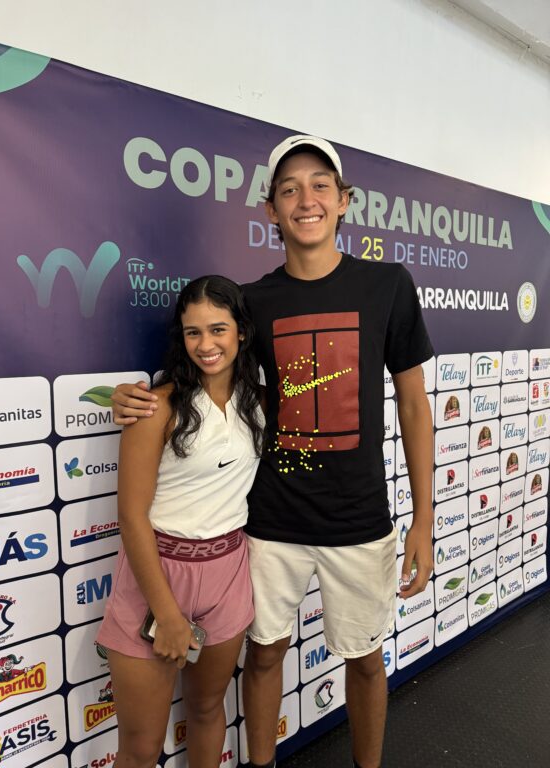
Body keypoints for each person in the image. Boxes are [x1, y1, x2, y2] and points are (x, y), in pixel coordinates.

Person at [111, 135, 435, 768]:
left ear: (345, 202)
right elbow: (206, 372)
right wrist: (137, 398)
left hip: (359, 520)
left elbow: (416, 405)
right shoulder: (253, 302)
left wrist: (425, 517)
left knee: (366, 661)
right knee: (263, 655)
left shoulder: (388, 285)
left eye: (320, 186)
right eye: (289, 189)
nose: (305, 199)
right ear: (270, 210)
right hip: (269, 524)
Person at [97, 275, 265, 768]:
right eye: (193, 332)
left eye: (218, 329)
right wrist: (167, 615)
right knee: (141, 748)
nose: (206, 344)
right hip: (156, 576)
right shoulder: (155, 406)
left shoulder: (259, 401)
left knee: (208, 709)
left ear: (241, 332)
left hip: (228, 571)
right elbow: (131, 517)